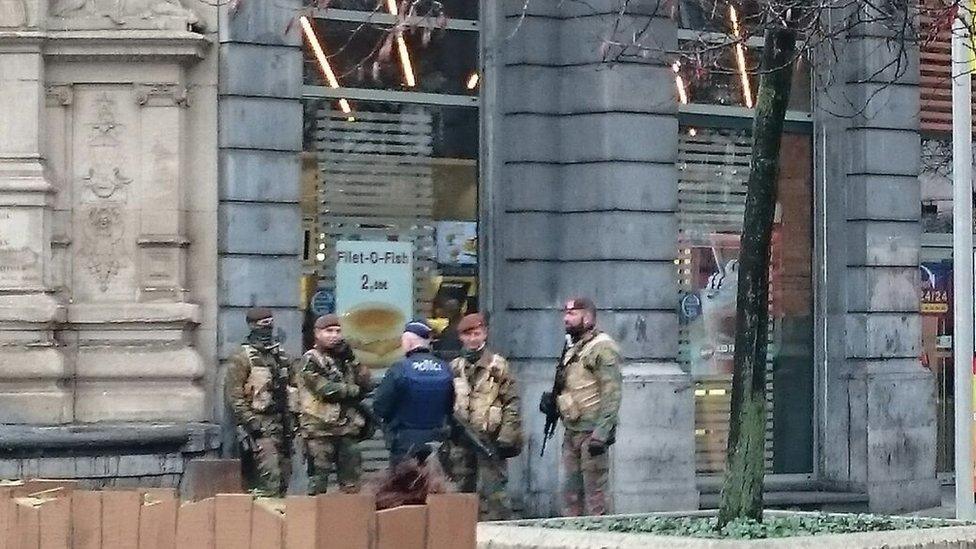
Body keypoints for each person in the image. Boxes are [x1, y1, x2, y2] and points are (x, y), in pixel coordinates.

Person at [542, 298, 622, 516]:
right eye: (565, 314)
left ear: (587, 317)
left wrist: (601, 433)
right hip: (573, 430)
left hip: (592, 433)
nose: (566, 319)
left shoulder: (602, 348)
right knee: (570, 494)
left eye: (572, 314)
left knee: (596, 496)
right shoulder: (573, 346)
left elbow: (611, 393)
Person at [443, 312, 522, 520]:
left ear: (484, 334)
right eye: (468, 335)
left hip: (490, 439)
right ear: (461, 337)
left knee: (495, 494)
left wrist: (506, 436)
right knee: (461, 494)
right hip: (461, 441)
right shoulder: (455, 367)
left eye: (477, 334)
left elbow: (512, 403)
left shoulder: (498, 366)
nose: (472, 339)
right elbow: (446, 403)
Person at [296, 314, 374, 495]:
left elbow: (367, 383)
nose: (334, 335)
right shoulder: (311, 359)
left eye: (338, 331)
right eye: (328, 331)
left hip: (346, 430)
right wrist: (355, 391)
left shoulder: (345, 359)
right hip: (319, 431)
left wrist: (353, 359)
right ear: (317, 333)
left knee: (351, 484)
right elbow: (326, 390)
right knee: (318, 483)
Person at [224, 307, 294, 497]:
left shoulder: (280, 355)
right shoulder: (242, 357)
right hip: (259, 428)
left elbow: (295, 385)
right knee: (269, 478)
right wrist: (251, 423)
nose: (268, 328)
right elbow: (234, 396)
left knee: (284, 477)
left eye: (271, 323)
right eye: (264, 324)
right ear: (252, 326)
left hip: (283, 426)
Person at [373, 320, 454, 466]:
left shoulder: (399, 369)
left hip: (404, 442)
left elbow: (380, 406)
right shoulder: (444, 368)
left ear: (408, 341)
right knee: (434, 485)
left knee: (404, 486)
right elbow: (450, 406)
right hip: (437, 439)